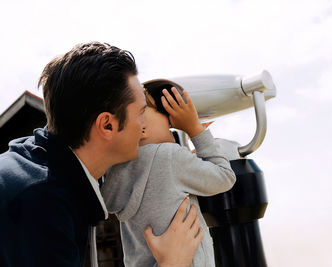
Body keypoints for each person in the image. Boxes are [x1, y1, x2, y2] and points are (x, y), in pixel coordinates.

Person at [0, 42, 203, 267]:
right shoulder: (39, 205)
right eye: (141, 112)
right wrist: (172, 263)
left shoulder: (38, 168)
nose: (144, 124)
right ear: (107, 125)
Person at [101, 85, 241, 266]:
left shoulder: (117, 172)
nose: (171, 122)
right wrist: (196, 131)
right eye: (162, 112)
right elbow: (224, 177)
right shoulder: (169, 156)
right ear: (141, 129)